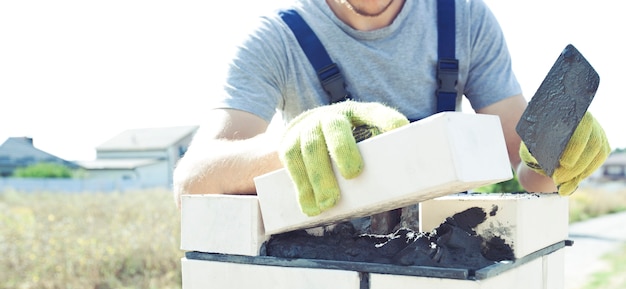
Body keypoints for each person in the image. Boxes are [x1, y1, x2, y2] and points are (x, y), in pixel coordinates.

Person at [173, 0, 609, 220]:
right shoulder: (276, 40)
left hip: (449, 259)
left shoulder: (465, 18)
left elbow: (524, 165)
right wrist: (296, 143)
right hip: (334, 275)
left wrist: (559, 150)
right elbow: (191, 182)